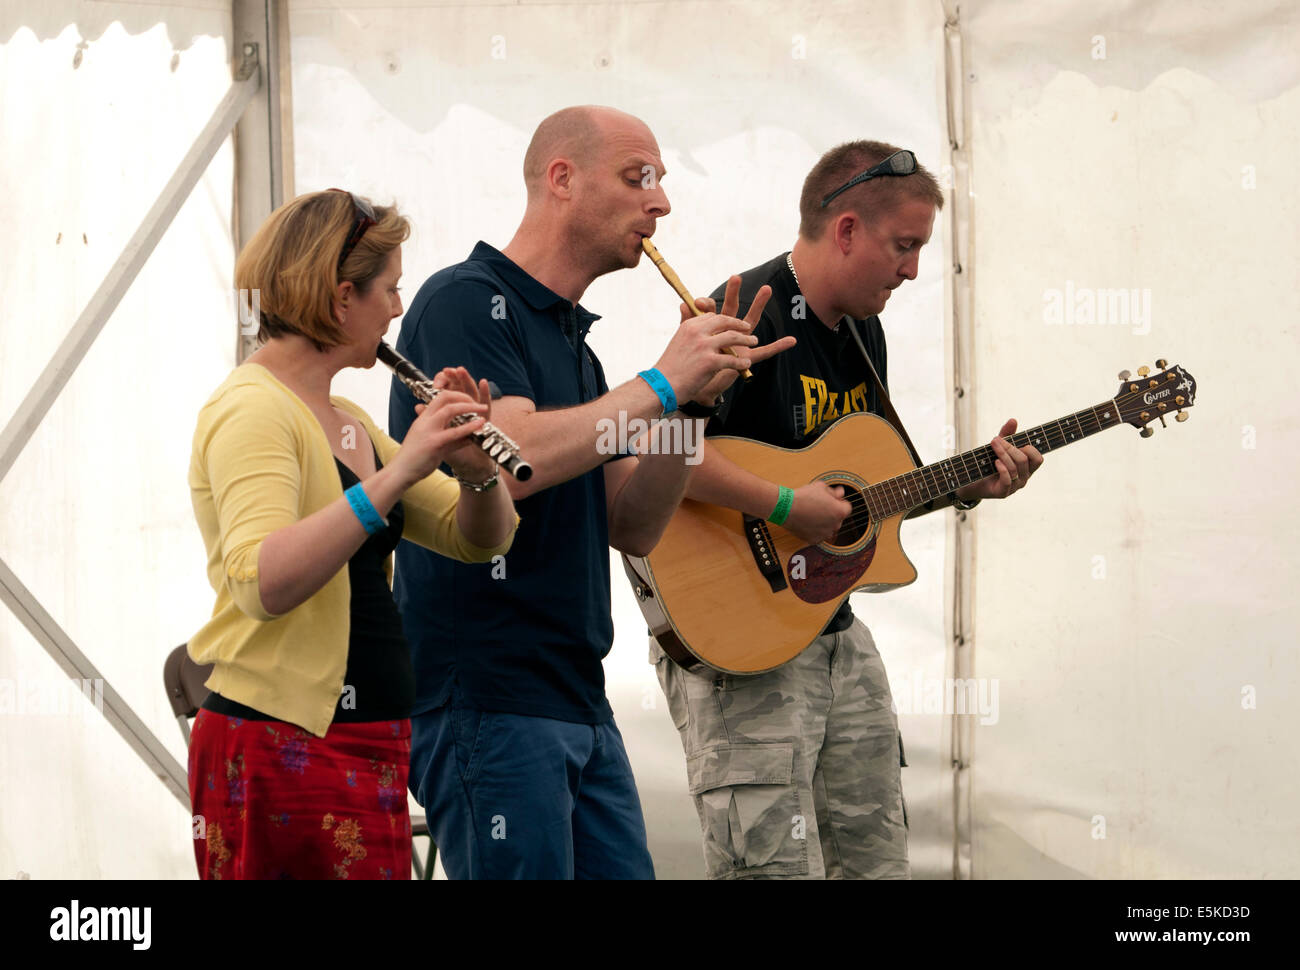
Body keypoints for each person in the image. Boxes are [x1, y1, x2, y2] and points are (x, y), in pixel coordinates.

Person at [389, 106, 792, 879]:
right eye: (639, 177)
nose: (661, 203)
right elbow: (512, 459)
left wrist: (692, 407)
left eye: (662, 183)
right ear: (562, 179)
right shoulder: (465, 302)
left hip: (575, 697)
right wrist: (663, 379)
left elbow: (631, 523)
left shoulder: (579, 350)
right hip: (488, 695)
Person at [655, 140, 1045, 879]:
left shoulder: (865, 333)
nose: (913, 270)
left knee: (878, 864)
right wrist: (783, 502)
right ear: (846, 231)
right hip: (737, 635)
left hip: (830, 628)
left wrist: (969, 484)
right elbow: (657, 454)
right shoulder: (745, 312)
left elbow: (860, 506)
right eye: (904, 246)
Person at [186, 189, 518, 879]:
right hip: (283, 741)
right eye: (389, 289)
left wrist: (477, 470)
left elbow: (478, 539)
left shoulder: (345, 418)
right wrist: (399, 475)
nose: (398, 309)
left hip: (368, 738)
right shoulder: (252, 409)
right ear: (341, 298)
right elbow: (263, 580)